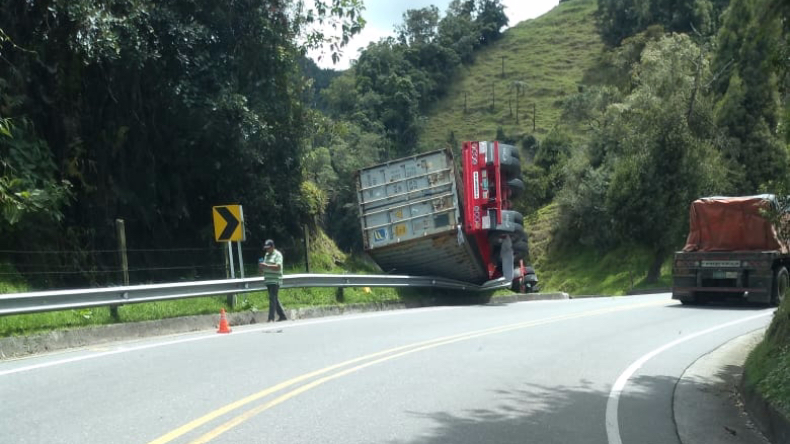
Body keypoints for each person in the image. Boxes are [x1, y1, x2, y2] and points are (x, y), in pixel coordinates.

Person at [259, 239, 287, 322]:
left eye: (268, 248)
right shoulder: (267, 255)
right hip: (268, 280)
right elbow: (264, 267)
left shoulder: (278, 255)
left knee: (272, 298)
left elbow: (278, 267)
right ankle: (282, 316)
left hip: (275, 280)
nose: (267, 250)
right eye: (266, 248)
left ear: (273, 247)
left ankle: (271, 318)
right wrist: (261, 267)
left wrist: (267, 265)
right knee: (274, 298)